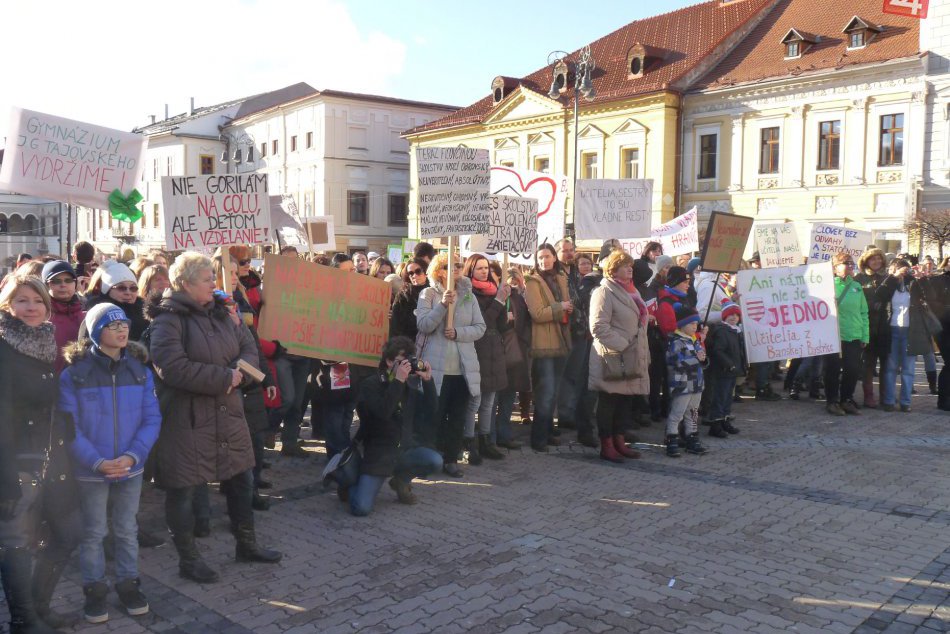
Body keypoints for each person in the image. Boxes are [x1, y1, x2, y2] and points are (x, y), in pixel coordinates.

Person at [147, 252, 281, 584]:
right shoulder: (167, 320)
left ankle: (246, 545)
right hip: (187, 420)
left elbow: (248, 348)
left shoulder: (223, 314)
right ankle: (188, 560)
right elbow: (171, 367)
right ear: (185, 283)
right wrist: (224, 378)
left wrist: (242, 374)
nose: (214, 283)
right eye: (207, 278)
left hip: (229, 415)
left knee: (241, 480)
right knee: (185, 490)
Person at [59, 304, 160, 623]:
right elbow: (68, 426)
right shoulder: (74, 374)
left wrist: (133, 455)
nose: (121, 329)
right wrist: (97, 461)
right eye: (111, 324)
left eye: (124, 323)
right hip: (91, 470)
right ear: (94, 331)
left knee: (127, 529)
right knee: (94, 532)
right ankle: (95, 590)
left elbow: (152, 418)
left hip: (131, 466)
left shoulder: (140, 370)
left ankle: (129, 584)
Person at [0, 275, 62, 634]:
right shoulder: (5, 348)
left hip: (45, 457)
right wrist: (6, 480)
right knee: (16, 542)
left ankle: (36, 608)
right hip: (17, 462)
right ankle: (23, 619)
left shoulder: (41, 342)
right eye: (22, 300)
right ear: (8, 306)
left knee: (65, 532)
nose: (32, 307)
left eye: (37, 300)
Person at [346, 337, 443, 515]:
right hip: (379, 453)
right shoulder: (371, 384)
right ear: (389, 361)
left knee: (435, 460)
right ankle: (350, 488)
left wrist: (428, 381)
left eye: (409, 361)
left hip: (403, 449)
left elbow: (432, 410)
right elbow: (383, 412)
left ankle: (401, 480)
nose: (406, 366)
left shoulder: (409, 384)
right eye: (401, 362)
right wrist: (398, 381)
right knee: (361, 508)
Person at [415, 253, 485, 477]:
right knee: (434, 416)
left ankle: (451, 459)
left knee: (457, 417)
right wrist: (443, 305)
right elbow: (424, 325)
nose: (455, 268)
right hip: (436, 369)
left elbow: (480, 328)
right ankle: (429, 459)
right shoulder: (428, 294)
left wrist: (458, 333)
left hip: (462, 369)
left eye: (458, 265)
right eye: (448, 265)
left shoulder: (469, 296)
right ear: (438, 270)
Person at [588, 250, 650, 463]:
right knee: (609, 401)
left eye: (630, 265)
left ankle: (619, 441)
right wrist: (623, 345)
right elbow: (597, 326)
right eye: (625, 265)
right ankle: (607, 445)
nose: (630, 268)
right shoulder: (603, 292)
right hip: (613, 357)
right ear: (613, 269)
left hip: (632, 355)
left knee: (625, 400)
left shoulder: (633, 291)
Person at [524, 244, 572, 452]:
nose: (543, 260)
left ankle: (548, 431)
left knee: (553, 392)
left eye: (547, 256)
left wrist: (569, 308)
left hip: (562, 341)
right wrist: (560, 307)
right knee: (545, 392)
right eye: (540, 257)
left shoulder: (561, 278)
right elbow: (537, 313)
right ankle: (538, 438)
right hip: (543, 344)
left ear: (554, 257)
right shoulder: (532, 282)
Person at [463, 254, 509, 463]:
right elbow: (483, 322)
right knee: (475, 400)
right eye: (480, 268)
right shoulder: (468, 292)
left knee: (489, 402)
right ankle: (468, 442)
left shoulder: (493, 290)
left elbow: (500, 326)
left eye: (486, 268)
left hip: (494, 351)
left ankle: (486, 441)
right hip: (477, 349)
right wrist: (499, 302)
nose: (484, 271)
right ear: (471, 269)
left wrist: (505, 307)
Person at [876, 259, 933, 413]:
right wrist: (893, 277)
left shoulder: (912, 283)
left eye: (905, 269)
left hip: (910, 330)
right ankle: (888, 401)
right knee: (890, 368)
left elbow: (930, 296)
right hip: (892, 330)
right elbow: (879, 295)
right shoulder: (890, 283)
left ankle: (905, 402)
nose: (904, 271)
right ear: (893, 268)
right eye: (900, 268)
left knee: (908, 369)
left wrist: (921, 278)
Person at [824, 252, 869, 416]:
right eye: (846, 263)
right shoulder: (827, 286)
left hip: (854, 335)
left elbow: (864, 312)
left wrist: (865, 336)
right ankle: (832, 401)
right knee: (832, 370)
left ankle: (846, 399)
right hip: (834, 336)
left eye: (851, 263)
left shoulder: (856, 286)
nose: (850, 265)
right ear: (835, 268)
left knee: (852, 370)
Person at [494, 267, 530, 450]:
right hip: (496, 353)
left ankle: (503, 434)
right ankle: (491, 435)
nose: (513, 283)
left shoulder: (519, 298)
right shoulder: (496, 295)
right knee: (493, 398)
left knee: (508, 395)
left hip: (513, 354)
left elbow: (524, 324)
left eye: (516, 280)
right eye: (510, 279)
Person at [665, 305, 708, 457]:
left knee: (693, 412)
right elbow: (678, 361)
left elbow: (701, 359)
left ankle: (692, 438)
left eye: (696, 324)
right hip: (682, 384)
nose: (695, 326)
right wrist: (697, 358)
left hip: (696, 384)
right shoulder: (676, 342)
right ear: (682, 325)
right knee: (677, 413)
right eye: (691, 324)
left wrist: (703, 359)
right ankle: (671, 439)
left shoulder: (694, 340)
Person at [855, 248, 890, 408]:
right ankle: (869, 397)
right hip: (866, 327)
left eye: (878, 259)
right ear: (866, 261)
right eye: (872, 259)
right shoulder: (859, 279)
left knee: (886, 365)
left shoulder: (889, 278)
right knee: (868, 365)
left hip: (885, 327)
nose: (876, 262)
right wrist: (871, 305)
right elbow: (855, 301)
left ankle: (886, 396)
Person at [705, 300, 745, 438]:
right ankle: (715, 424)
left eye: (736, 315)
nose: (734, 317)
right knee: (720, 397)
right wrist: (729, 364)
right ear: (724, 317)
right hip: (723, 370)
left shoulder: (736, 331)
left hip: (733, 371)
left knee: (728, 397)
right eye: (730, 315)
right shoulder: (722, 331)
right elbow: (718, 350)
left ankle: (725, 420)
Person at [84, 261, 149, 341]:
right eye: (121, 288)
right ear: (108, 290)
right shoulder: (97, 314)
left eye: (133, 288)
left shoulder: (146, 314)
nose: (128, 292)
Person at [43, 260, 86, 373]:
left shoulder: (86, 315)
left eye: (68, 280)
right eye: (56, 281)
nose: (63, 285)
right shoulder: (41, 315)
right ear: (46, 285)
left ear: (75, 283)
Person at [390, 258, 429, 339]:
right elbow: (395, 325)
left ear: (426, 271)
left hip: (430, 341)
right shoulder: (402, 295)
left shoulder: (434, 291)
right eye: (411, 273)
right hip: (408, 343)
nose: (414, 275)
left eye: (418, 271)